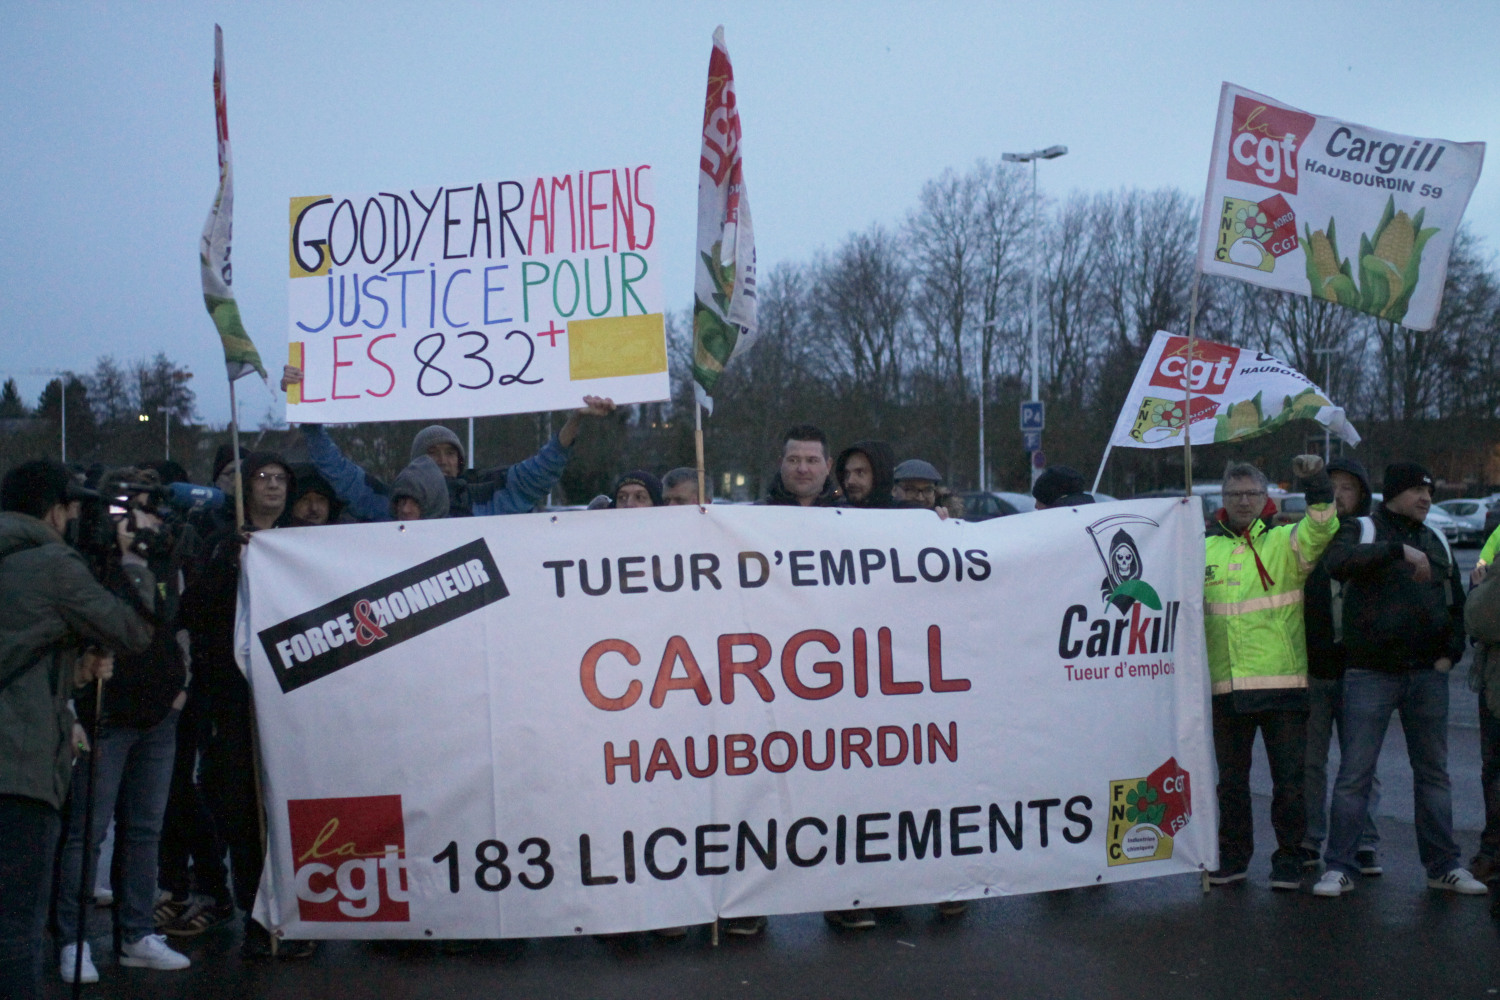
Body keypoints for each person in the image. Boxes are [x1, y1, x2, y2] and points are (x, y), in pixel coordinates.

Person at [0, 460, 152, 998]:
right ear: (55, 509)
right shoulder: (52, 564)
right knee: (16, 930)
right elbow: (131, 630)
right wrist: (135, 559)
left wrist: (72, 672)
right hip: (17, 773)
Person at [1313, 462, 1483, 897]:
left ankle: (1443, 866)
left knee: (1433, 775)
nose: (1427, 498)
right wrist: (1396, 550)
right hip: (1370, 674)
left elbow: (1454, 602)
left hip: (1427, 676)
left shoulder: (1437, 536)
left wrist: (1451, 653)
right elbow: (1336, 563)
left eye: (1429, 491)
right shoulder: (1363, 530)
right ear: (1392, 494)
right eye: (1416, 491)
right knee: (1355, 774)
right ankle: (1339, 867)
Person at [55, 469, 192, 981]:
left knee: (145, 831)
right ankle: (73, 940)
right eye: (126, 509)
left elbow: (180, 622)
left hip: (160, 711)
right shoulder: (87, 563)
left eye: (148, 509)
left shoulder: (167, 558)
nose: (139, 520)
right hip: (106, 712)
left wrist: (182, 686)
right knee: (86, 833)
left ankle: (136, 933)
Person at [178, 452, 316, 959]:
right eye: (264, 477)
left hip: (288, 696)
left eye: (282, 478)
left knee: (287, 805)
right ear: (245, 487)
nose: (274, 487)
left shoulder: (299, 546)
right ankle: (257, 916)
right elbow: (189, 610)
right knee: (241, 807)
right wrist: (227, 567)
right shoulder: (219, 541)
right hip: (231, 698)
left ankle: (296, 912)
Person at [1204, 456, 1337, 891]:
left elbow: (1321, 526)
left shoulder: (1285, 541)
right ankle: (1233, 857)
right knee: (1232, 787)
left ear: (1266, 497)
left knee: (1289, 784)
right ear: (1222, 498)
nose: (1243, 501)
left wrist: (1316, 481)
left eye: (1251, 493)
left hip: (1282, 685)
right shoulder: (1202, 547)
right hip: (1225, 687)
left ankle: (1289, 857)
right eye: (1234, 494)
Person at [287, 359, 616, 520]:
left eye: (449, 452)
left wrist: (575, 419)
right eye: (431, 453)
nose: (442, 459)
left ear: (461, 461)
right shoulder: (388, 504)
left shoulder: (489, 499)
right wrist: (307, 409)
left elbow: (544, 467)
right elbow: (337, 470)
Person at [1301, 458, 1382, 875]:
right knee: (1311, 761)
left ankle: (1363, 840)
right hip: (1314, 666)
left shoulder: (1371, 536)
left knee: (1360, 761)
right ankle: (1311, 838)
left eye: (1347, 488)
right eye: (1329, 487)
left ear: (1362, 494)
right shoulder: (1304, 538)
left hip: (1361, 669)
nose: (1337, 495)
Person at [759, 425, 839, 507]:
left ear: (828, 466)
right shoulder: (755, 515)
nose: (802, 469)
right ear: (781, 464)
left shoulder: (849, 516)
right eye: (793, 460)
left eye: (812, 461)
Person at [834, 441, 896, 509]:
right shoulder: (833, 514)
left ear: (879, 475)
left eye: (860, 472)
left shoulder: (903, 515)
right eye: (847, 474)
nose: (850, 481)